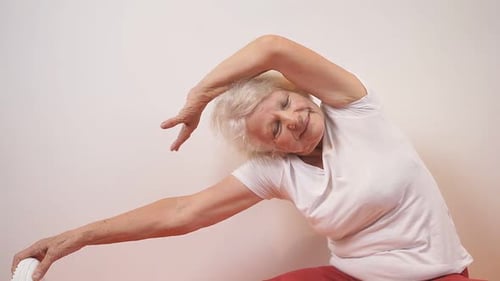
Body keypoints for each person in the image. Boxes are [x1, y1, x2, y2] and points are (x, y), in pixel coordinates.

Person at [12, 34, 476, 281]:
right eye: (274, 127)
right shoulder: (277, 171)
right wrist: (77, 237)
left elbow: (272, 47)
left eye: (287, 103)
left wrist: (201, 95)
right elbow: (182, 212)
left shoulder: (356, 111)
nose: (292, 120)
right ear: (269, 149)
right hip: (351, 278)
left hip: (434, 276)